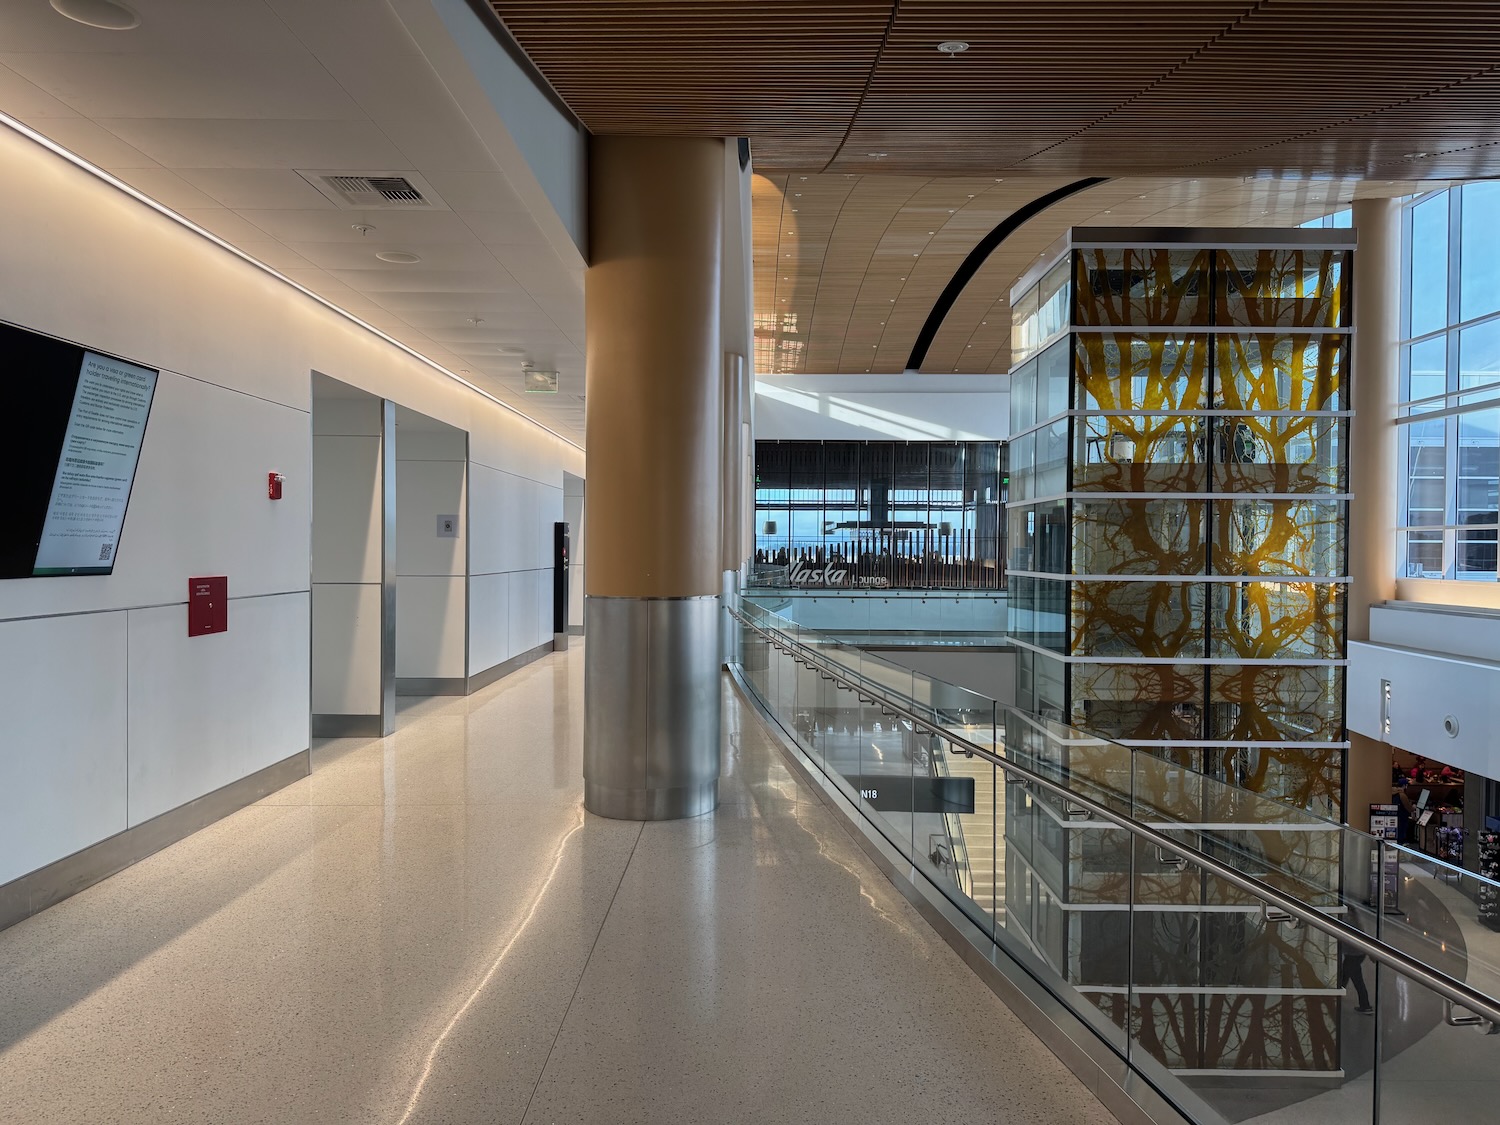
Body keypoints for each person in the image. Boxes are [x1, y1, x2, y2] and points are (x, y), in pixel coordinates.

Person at [1339, 915, 1373, 1013]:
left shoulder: (1346, 920)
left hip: (1353, 954)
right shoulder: (1355, 920)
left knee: (1357, 980)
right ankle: (1338, 993)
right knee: (1345, 972)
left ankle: (1365, 1006)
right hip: (1358, 954)